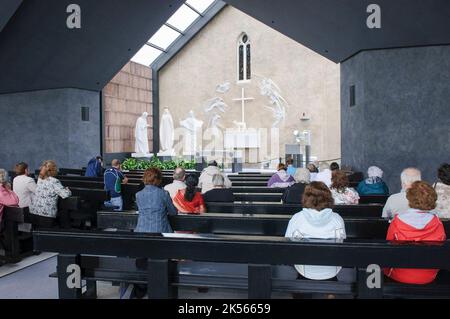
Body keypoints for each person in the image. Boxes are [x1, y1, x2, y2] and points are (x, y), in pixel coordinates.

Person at [385, 181, 446, 285]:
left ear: (409, 198)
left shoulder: (397, 221)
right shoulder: (437, 222)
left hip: (400, 274)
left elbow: (389, 250)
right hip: (429, 275)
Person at [285, 182, 346, 280]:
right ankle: (331, 292)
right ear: (328, 198)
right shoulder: (337, 219)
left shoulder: (297, 218)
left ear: (305, 197)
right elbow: (341, 241)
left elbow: (289, 243)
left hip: (305, 269)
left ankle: (301, 291)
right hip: (331, 268)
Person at [29, 161, 71, 227]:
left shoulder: (40, 179)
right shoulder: (54, 181)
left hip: (34, 212)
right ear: (53, 170)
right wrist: (67, 189)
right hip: (46, 215)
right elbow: (65, 195)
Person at [135, 168, 177, 233]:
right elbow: (173, 212)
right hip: (160, 230)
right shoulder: (164, 193)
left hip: (141, 229)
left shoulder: (138, 195)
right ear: (158, 179)